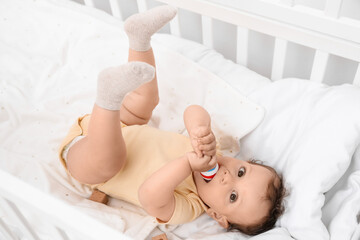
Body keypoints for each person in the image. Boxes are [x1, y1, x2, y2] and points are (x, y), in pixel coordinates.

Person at [58, 5, 286, 236]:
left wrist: (187, 164)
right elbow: (193, 110)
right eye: (241, 172)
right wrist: (199, 128)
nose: (227, 177)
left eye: (233, 196)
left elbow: (149, 194)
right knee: (146, 100)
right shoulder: (212, 150)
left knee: (110, 161)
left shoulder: (189, 206)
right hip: (122, 126)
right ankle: (139, 39)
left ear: (217, 216)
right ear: (243, 161)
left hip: (89, 163)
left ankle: (107, 98)